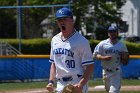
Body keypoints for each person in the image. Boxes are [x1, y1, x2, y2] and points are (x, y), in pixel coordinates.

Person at [46, 7, 94, 93]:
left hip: (77, 81)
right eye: (59, 20)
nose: (62, 22)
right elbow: (53, 64)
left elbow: (90, 66)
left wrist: (81, 84)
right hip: (60, 83)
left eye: (65, 19)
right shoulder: (54, 40)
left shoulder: (82, 41)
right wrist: (50, 81)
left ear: (72, 20)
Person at [93, 24, 129, 93]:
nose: (112, 33)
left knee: (113, 91)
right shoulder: (102, 44)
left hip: (116, 72)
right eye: (110, 31)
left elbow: (126, 61)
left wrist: (125, 58)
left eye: (114, 31)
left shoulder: (121, 45)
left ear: (117, 33)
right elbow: (95, 55)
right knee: (108, 90)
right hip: (105, 72)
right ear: (108, 33)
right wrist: (103, 57)